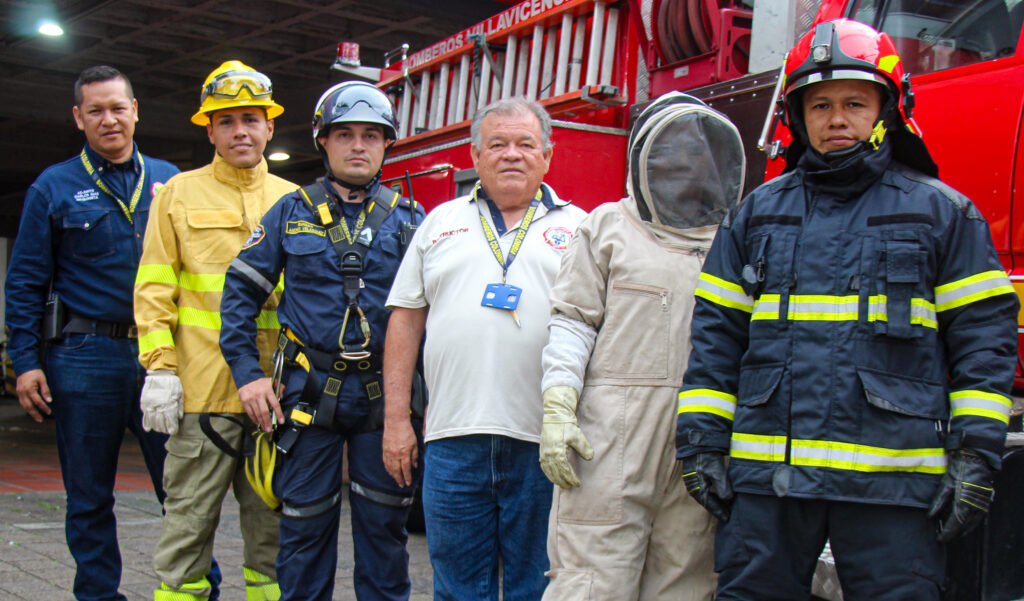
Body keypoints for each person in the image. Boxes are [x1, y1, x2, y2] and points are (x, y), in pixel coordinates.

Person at [676, 19, 1019, 601]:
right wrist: (701, 442)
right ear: (797, 117)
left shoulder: (943, 216)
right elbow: (715, 341)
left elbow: (983, 346)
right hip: (769, 488)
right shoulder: (755, 216)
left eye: (855, 103)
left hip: (893, 491)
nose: (836, 119)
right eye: (821, 105)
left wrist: (975, 458)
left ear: (889, 109)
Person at [219, 80, 425, 601]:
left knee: (385, 533)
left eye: (371, 136)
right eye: (345, 134)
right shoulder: (290, 213)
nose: (358, 145)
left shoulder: (413, 222)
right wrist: (247, 375)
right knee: (304, 530)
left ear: (386, 145)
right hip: (308, 398)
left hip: (385, 401)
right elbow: (239, 295)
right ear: (323, 141)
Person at [539, 92, 743, 601]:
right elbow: (573, 321)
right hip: (610, 437)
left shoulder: (734, 238)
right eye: (670, 152)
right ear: (643, 158)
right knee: (591, 580)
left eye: (697, 153)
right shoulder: (608, 225)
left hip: (702, 433)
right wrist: (559, 403)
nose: (684, 164)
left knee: (686, 579)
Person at [382, 96, 587, 601]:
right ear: (475, 157)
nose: (511, 154)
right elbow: (405, 322)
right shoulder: (439, 223)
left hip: (545, 443)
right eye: (497, 144)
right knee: (457, 588)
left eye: (525, 144)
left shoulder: (582, 228)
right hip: (454, 439)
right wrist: (396, 420)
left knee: (536, 586)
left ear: (548, 155)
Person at [4, 65, 181, 601]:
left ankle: (194, 588)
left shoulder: (170, 180)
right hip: (85, 356)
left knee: (181, 490)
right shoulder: (52, 187)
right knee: (88, 494)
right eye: (96, 110)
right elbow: (26, 280)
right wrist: (26, 360)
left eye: (118, 107)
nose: (110, 119)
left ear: (135, 110)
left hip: (161, 356)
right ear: (79, 118)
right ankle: (99, 596)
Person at [133, 60, 296, 601]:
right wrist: (160, 368)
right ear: (209, 130)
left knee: (272, 536)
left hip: (276, 395)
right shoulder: (178, 194)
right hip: (202, 394)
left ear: (271, 126)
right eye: (227, 122)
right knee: (186, 530)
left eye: (251, 119)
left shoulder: (296, 200)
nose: (241, 131)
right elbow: (154, 287)